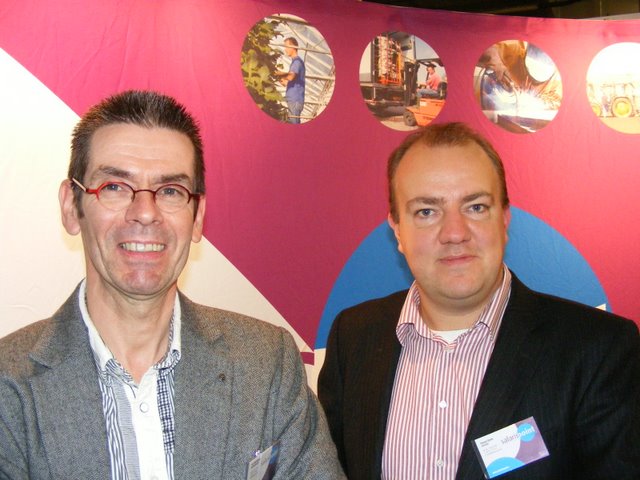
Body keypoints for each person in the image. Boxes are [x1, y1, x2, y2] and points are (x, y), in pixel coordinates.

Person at [0, 90, 345, 480]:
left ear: (197, 217)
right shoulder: (8, 383)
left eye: (170, 191)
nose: (146, 213)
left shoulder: (267, 364)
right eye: (114, 186)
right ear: (70, 206)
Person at [318, 122, 640, 479]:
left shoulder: (597, 349)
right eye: (426, 211)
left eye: (475, 207)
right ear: (397, 230)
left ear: (504, 219)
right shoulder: (353, 337)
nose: (455, 233)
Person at [275, 37, 305, 124]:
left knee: (294, 126)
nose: (285, 49)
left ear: (293, 47)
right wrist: (278, 78)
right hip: (293, 100)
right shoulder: (295, 62)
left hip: (295, 100)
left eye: (286, 46)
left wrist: (278, 73)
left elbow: (291, 77)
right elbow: (287, 83)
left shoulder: (297, 62)